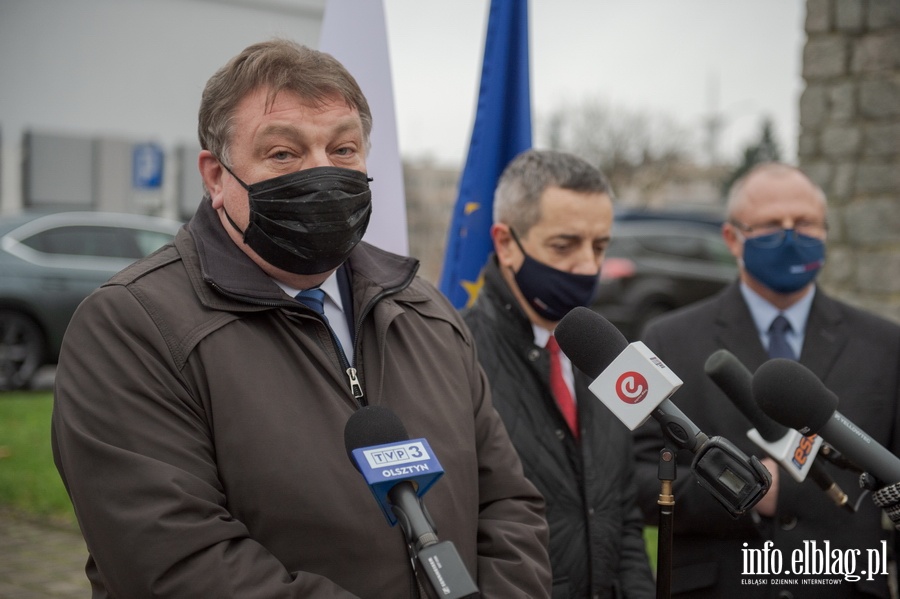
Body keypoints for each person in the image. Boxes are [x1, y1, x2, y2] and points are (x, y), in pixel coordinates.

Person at [51, 39, 552, 598]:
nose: (322, 172)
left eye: (343, 150)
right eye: (284, 154)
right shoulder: (131, 327)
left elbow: (509, 504)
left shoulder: (426, 312)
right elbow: (177, 565)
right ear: (216, 177)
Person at [633, 162, 900, 598]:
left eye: (806, 223)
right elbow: (638, 480)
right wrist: (736, 491)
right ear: (732, 238)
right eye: (772, 225)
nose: (791, 235)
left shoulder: (886, 344)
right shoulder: (665, 338)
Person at [463, 149, 656, 599]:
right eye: (564, 245)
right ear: (506, 244)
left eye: (600, 246)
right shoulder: (455, 356)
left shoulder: (609, 352)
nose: (589, 266)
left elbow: (624, 515)